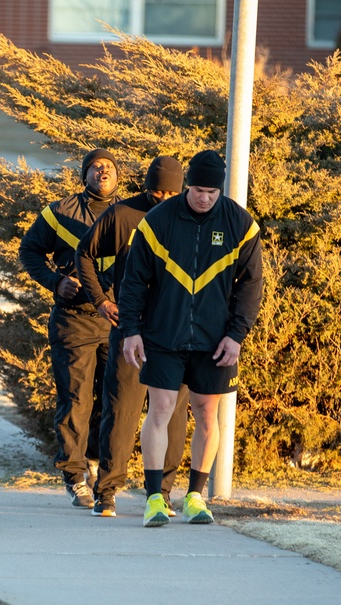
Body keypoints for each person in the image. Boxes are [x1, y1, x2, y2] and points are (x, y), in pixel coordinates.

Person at [118, 150, 263, 527]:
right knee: (161, 410)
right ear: (187, 186)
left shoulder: (241, 224)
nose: (205, 198)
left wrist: (236, 336)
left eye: (212, 192)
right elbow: (134, 281)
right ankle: (154, 498)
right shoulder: (157, 222)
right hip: (163, 333)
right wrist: (131, 330)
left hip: (215, 339)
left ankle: (196, 497)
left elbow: (251, 286)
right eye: (198, 190)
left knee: (207, 413)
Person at [75, 156, 189, 518]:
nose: (164, 198)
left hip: (175, 331)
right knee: (121, 410)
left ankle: (163, 493)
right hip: (131, 329)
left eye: (172, 192)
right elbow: (85, 254)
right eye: (157, 191)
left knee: (173, 414)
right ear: (145, 187)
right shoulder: (123, 215)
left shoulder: (192, 219)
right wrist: (101, 301)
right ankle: (106, 493)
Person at [19, 148, 121, 509]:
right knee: (76, 399)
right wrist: (53, 282)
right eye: (95, 166)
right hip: (72, 321)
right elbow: (29, 250)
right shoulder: (59, 211)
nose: (102, 170)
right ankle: (75, 476)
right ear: (85, 175)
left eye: (109, 166)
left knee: (113, 399)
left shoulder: (130, 214)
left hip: (116, 323)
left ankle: (94, 461)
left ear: (118, 176)